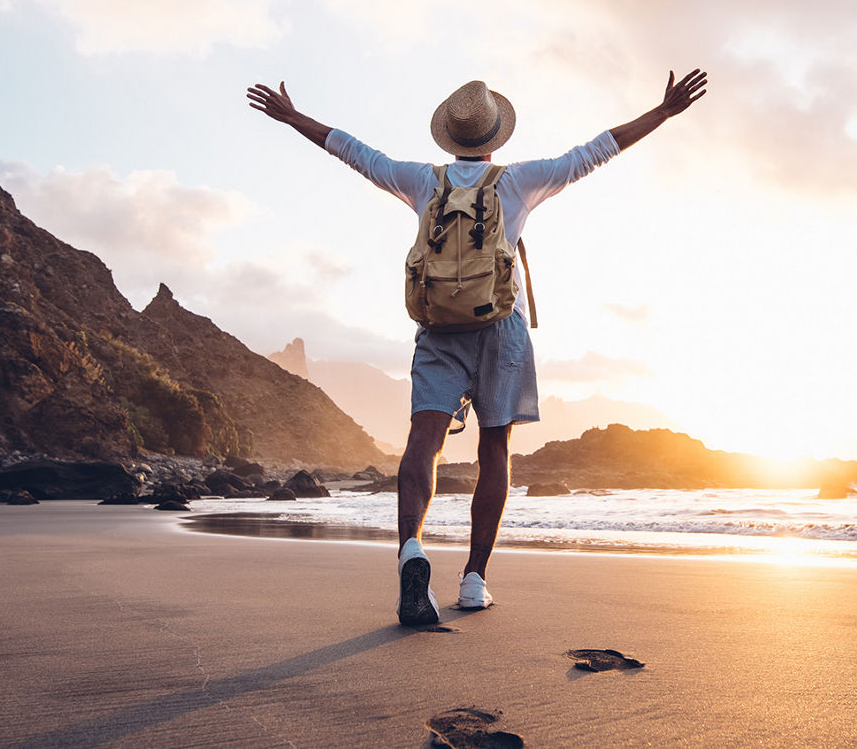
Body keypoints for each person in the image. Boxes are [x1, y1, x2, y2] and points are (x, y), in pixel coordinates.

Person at [247, 70, 707, 625]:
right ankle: (472, 580)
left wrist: (294, 117)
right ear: (493, 138)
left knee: (425, 440)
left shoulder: (421, 180)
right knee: (495, 447)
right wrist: (662, 113)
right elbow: (596, 151)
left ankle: (412, 551)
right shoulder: (518, 182)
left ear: (450, 135)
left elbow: (354, 151)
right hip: (500, 328)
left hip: (439, 328)